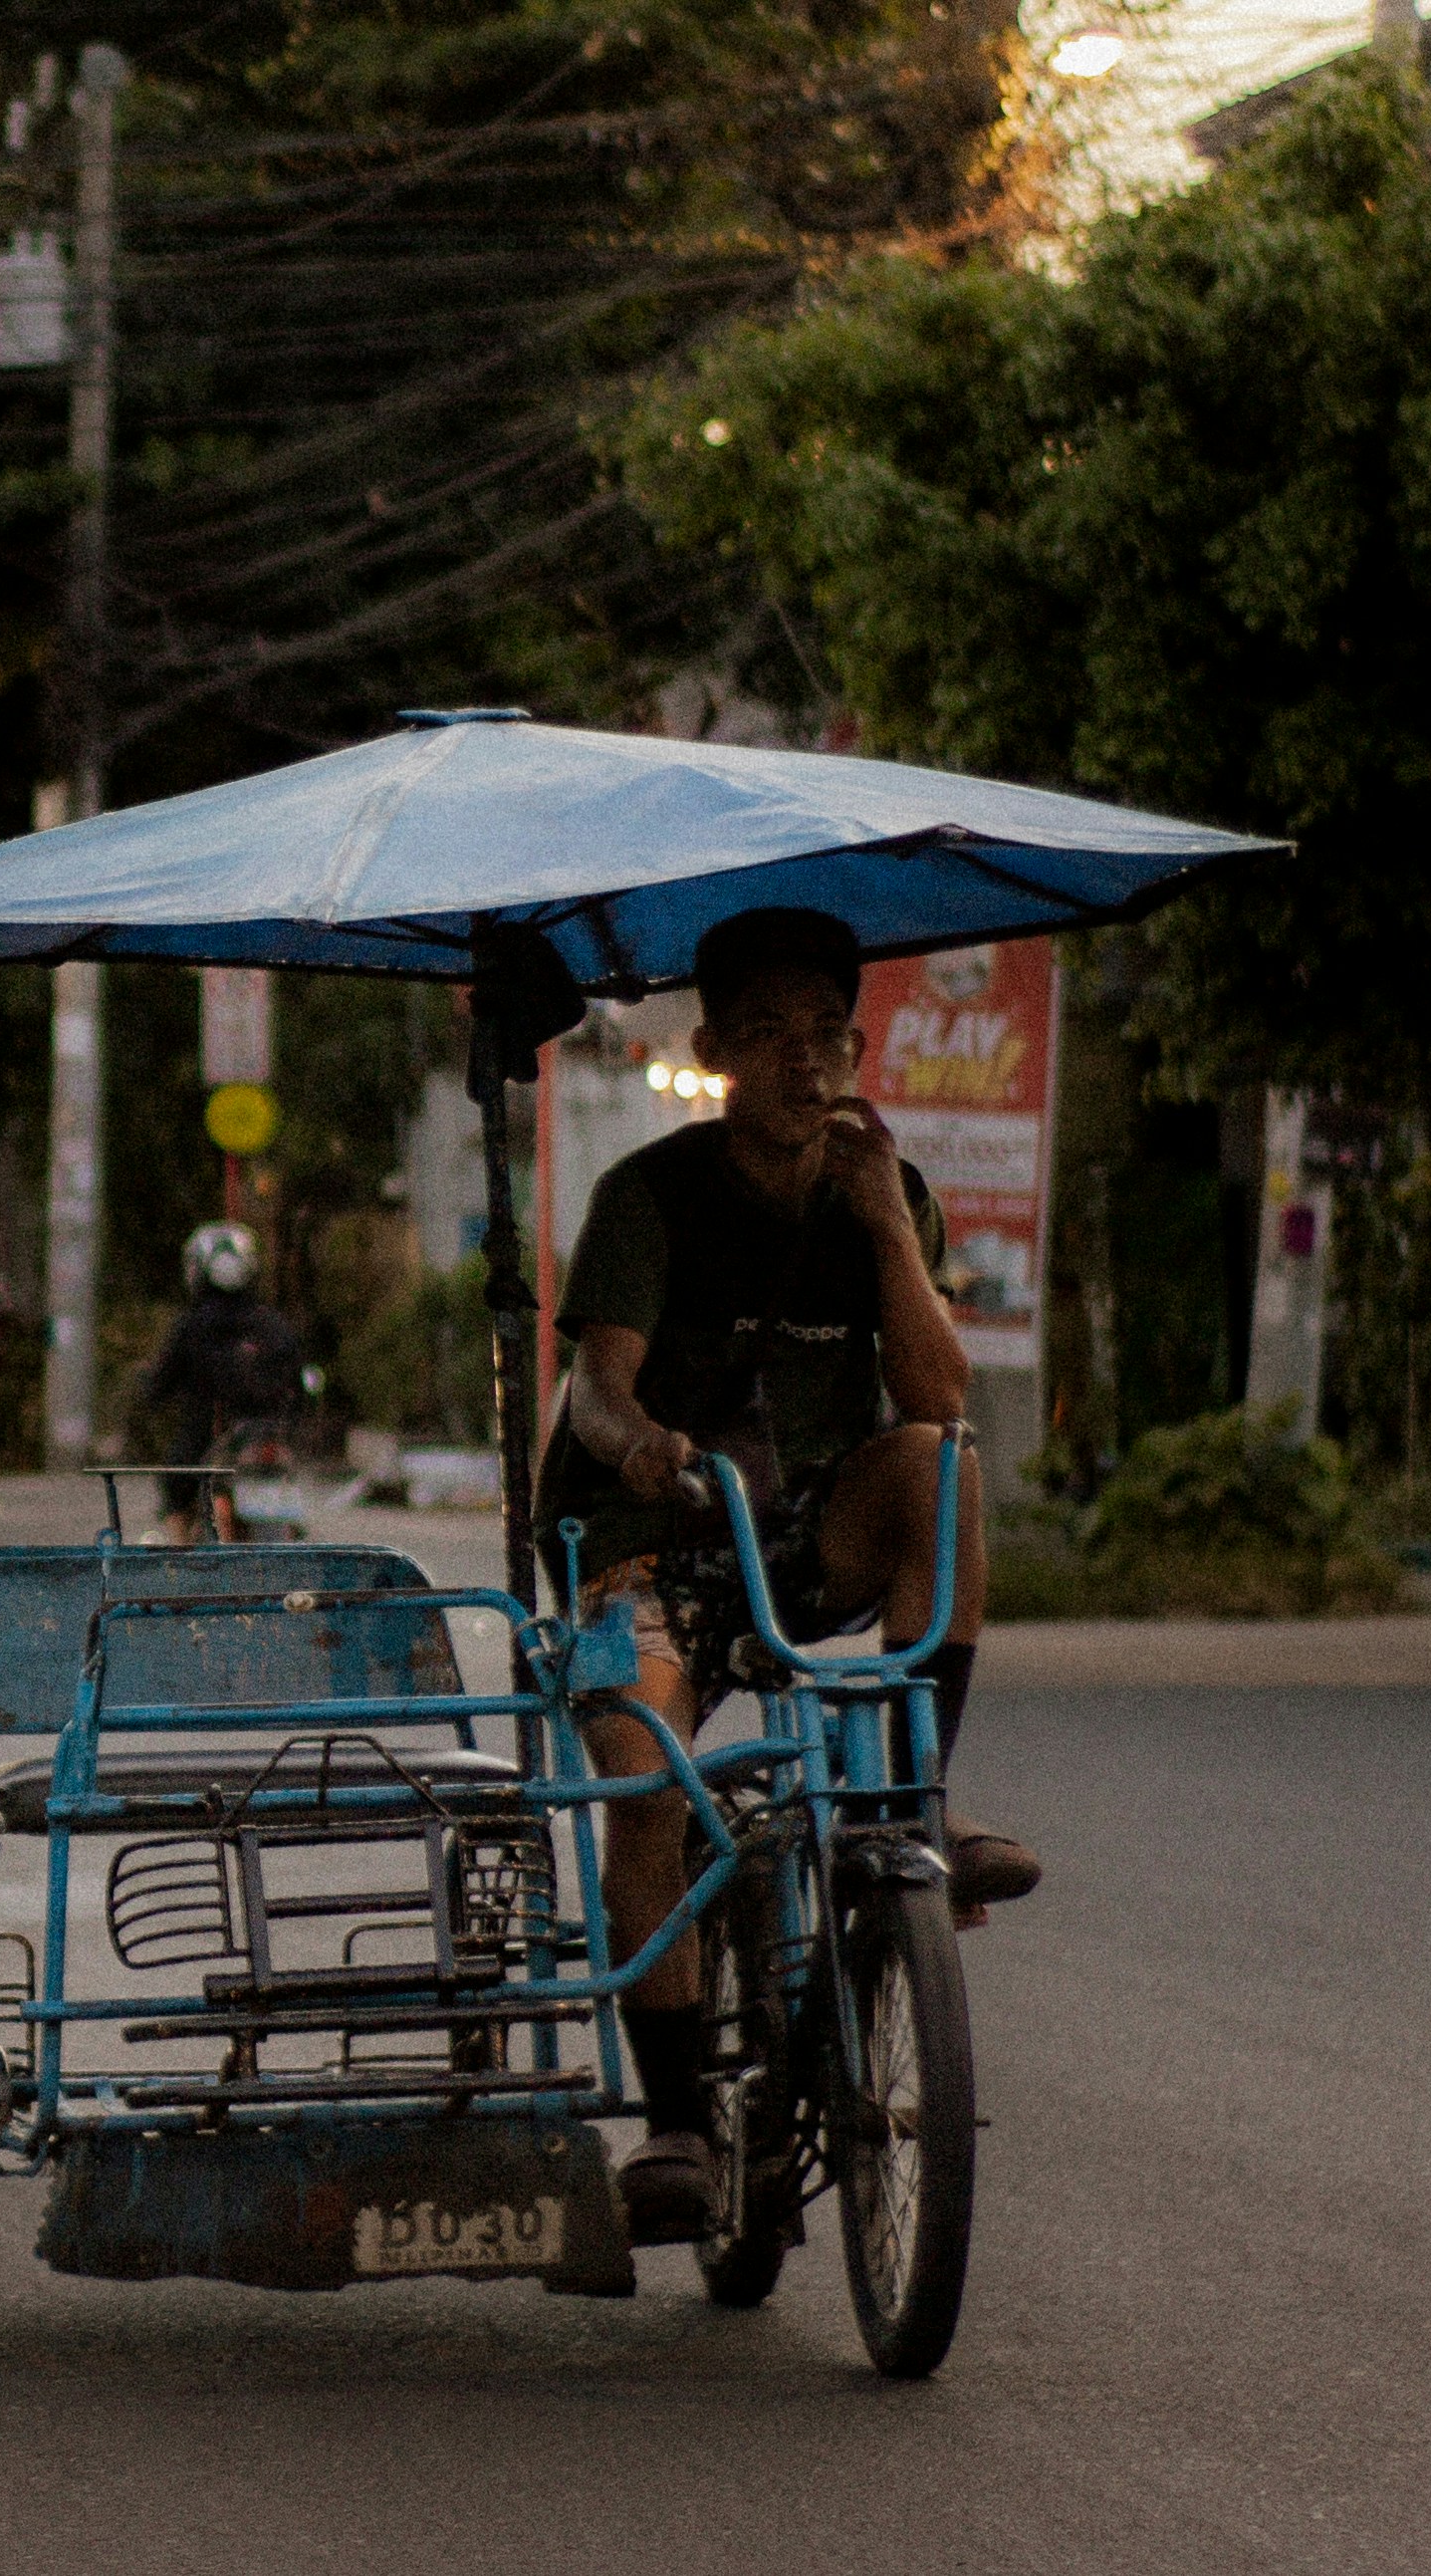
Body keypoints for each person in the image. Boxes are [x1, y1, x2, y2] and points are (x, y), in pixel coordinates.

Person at [532, 905, 1042, 2242]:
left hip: (799, 1533)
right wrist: (637, 1444)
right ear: (716, 1052)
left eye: (827, 1036)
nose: (804, 1062)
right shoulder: (649, 1194)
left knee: (943, 1463)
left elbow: (937, 1393)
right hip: (644, 1538)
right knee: (646, 1778)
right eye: (770, 1036)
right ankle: (682, 2123)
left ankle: (914, 1805)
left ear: (856, 1047)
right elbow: (593, 1386)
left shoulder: (886, 1187)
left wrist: (885, 1229)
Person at [126, 1220, 311, 1534]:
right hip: (271, 1435)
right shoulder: (273, 1324)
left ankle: (179, 1559)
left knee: (176, 1484)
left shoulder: (192, 1326)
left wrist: (148, 1388)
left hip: (209, 1438)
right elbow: (300, 1384)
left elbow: (159, 1384)